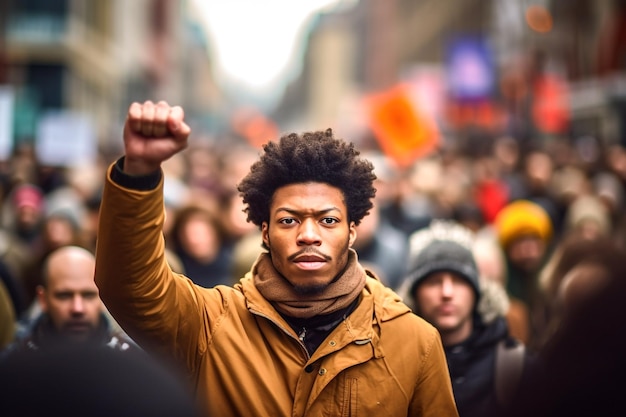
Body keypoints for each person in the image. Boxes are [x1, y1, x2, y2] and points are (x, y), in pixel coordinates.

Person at [94, 100, 459, 417]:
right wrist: (139, 172)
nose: (309, 234)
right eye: (289, 220)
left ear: (351, 231)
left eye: (328, 220)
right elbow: (131, 288)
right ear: (265, 232)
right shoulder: (210, 324)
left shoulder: (414, 341)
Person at [397, 220, 529, 417]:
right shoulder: (396, 365)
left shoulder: (516, 366)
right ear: (414, 294)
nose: (447, 292)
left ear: (477, 292)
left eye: (459, 281)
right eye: (434, 282)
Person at [1, 245, 135, 358]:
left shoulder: (132, 362)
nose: (77, 308)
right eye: (64, 296)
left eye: (88, 295)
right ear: (43, 299)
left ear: (102, 298)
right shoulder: (14, 364)